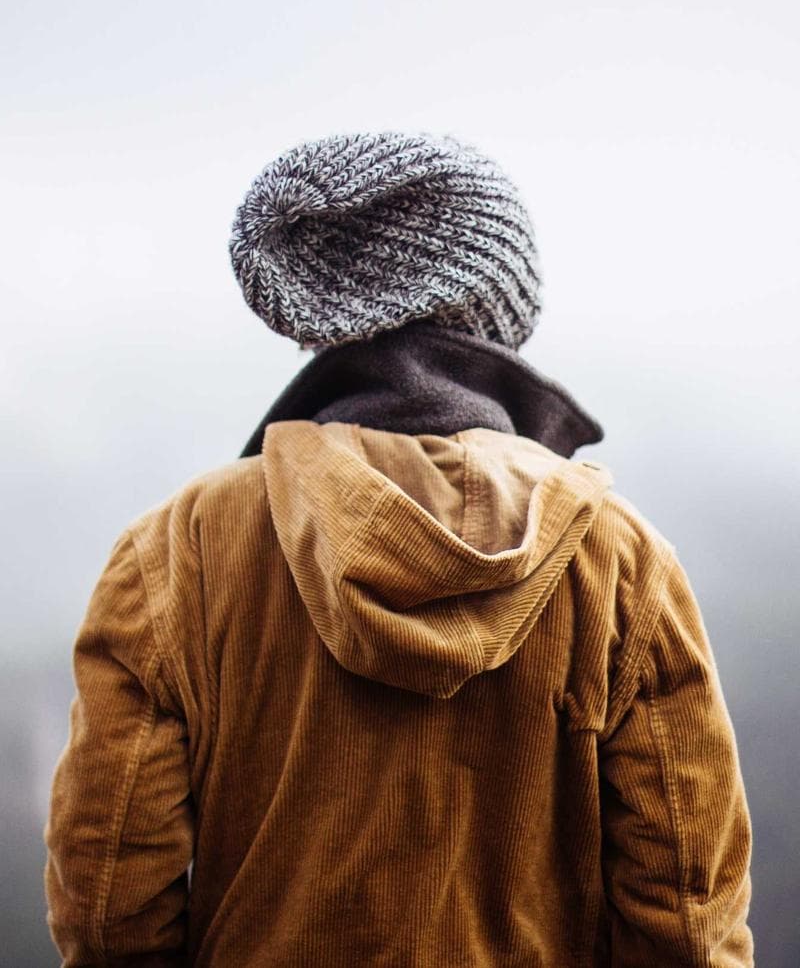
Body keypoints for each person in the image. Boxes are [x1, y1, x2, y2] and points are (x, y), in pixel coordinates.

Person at [43, 131, 754, 966]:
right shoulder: (619, 559)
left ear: (327, 323)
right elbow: (688, 915)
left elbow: (105, 901)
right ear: (498, 309)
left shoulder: (179, 552)